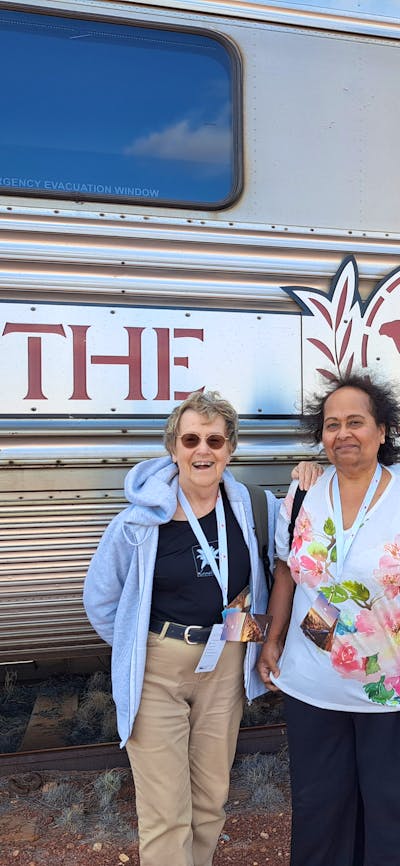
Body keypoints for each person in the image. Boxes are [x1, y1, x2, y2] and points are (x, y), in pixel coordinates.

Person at [83, 389, 319, 866]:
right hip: (158, 667)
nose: (203, 450)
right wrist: (139, 645)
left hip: (227, 662)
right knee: (166, 811)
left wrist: (310, 480)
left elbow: (291, 557)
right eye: (191, 439)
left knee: (210, 800)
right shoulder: (138, 522)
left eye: (215, 439)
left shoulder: (253, 509)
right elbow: (101, 600)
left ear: (230, 447)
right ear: (174, 447)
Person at [258, 373, 400, 866]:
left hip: (390, 694)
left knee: (390, 814)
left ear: (382, 430)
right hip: (312, 683)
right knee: (320, 811)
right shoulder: (302, 495)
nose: (343, 433)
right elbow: (286, 572)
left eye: (356, 422)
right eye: (332, 424)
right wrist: (271, 639)